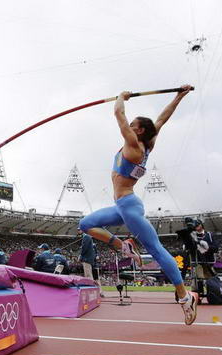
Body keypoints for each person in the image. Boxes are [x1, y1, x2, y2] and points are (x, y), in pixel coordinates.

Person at [78, 85, 199, 325]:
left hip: (128, 205)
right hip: (123, 206)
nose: (129, 127)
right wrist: (179, 96)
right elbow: (161, 119)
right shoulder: (147, 142)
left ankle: (185, 298)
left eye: (133, 125)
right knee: (86, 224)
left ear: (139, 130)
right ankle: (123, 246)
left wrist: (121, 98)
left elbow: (119, 116)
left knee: (156, 249)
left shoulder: (134, 146)